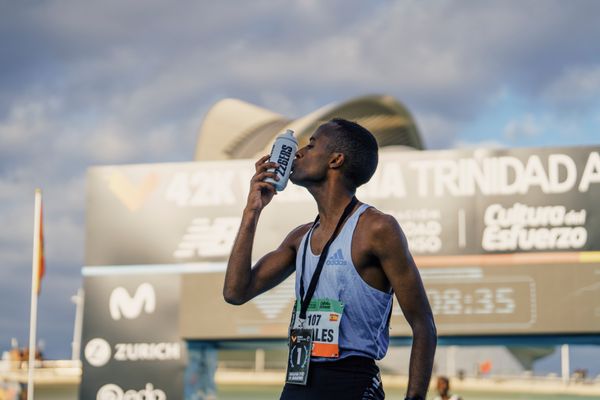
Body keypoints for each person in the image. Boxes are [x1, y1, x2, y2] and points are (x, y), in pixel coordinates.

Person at [223, 118, 437, 400]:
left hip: (351, 382)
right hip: (298, 381)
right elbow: (235, 292)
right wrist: (252, 210)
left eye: (311, 145)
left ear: (336, 160)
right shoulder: (299, 238)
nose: (298, 153)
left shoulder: (377, 229)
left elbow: (424, 325)